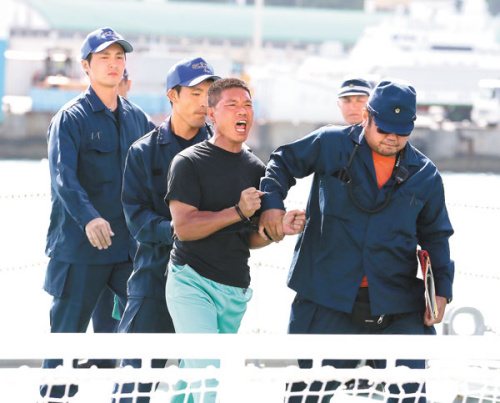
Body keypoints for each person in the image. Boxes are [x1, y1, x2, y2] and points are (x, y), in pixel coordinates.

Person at [259, 79, 454, 402]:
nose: (393, 138)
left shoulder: (426, 174)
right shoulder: (330, 143)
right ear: (367, 117)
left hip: (395, 300)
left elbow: (436, 235)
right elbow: (281, 162)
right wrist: (272, 207)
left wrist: (442, 292)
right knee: (308, 396)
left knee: (411, 396)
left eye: (402, 131)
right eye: (385, 129)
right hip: (327, 297)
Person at [164, 77, 306, 403]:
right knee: (208, 374)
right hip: (191, 281)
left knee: (194, 377)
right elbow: (183, 227)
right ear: (210, 114)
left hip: (234, 289)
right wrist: (238, 211)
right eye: (232, 104)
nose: (242, 111)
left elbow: (250, 239)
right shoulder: (188, 162)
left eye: (248, 104)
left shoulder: (258, 169)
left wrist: (277, 229)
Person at [41, 27, 151, 400]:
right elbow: (62, 176)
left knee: (135, 339)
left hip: (127, 252)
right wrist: (88, 217)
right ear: (86, 67)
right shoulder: (70, 119)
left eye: (119, 57)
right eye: (104, 58)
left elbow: (160, 167)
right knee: (65, 347)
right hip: (78, 252)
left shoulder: (137, 119)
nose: (113, 64)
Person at [113, 57, 220, 402]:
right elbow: (136, 216)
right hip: (152, 279)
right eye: (195, 93)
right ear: (172, 95)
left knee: (202, 387)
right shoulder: (143, 152)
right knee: (135, 384)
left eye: (210, 94)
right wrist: (178, 229)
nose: (205, 102)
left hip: (206, 287)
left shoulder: (226, 154)